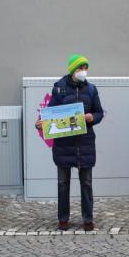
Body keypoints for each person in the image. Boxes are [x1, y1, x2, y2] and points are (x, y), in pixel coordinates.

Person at [35, 54, 104, 231]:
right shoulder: (59, 88)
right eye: (80, 68)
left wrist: (92, 117)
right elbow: (50, 113)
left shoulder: (91, 89)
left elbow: (99, 112)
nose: (83, 71)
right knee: (63, 183)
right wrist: (40, 123)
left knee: (86, 183)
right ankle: (63, 219)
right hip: (64, 145)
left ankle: (88, 219)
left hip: (85, 144)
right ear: (73, 69)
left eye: (85, 68)